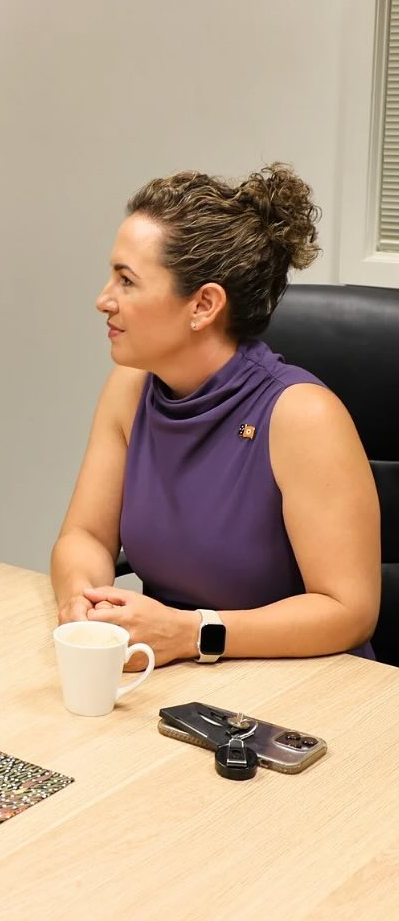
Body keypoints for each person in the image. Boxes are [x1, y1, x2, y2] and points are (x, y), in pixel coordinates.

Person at [51, 164, 380, 666]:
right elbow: (86, 536)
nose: (103, 300)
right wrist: (82, 601)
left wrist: (191, 633)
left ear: (203, 305)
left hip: (302, 684)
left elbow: (348, 611)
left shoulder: (303, 416)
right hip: (172, 673)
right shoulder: (129, 391)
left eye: (127, 281)